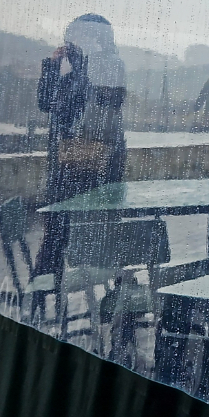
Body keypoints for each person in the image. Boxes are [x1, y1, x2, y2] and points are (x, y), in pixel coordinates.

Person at [34, 14, 127, 274]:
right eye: (71, 35)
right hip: (66, 162)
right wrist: (52, 68)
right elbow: (47, 104)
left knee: (95, 229)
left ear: (98, 39)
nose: (72, 41)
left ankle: (116, 291)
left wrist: (80, 67)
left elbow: (96, 102)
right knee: (55, 229)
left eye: (79, 35)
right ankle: (41, 290)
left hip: (97, 164)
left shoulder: (110, 66)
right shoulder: (74, 70)